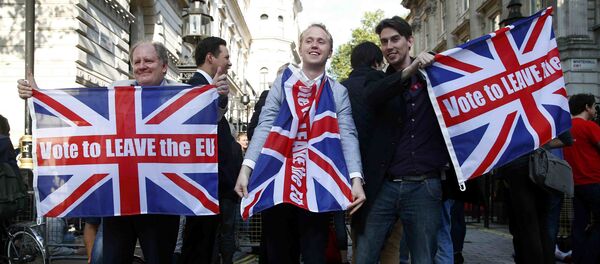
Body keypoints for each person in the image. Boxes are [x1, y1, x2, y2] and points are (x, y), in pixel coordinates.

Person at [17, 40, 230, 264]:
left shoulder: (182, 94)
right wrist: (39, 98)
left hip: (161, 204)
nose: (142, 66)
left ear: (164, 66)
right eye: (136, 62)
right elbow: (79, 118)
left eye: (148, 60)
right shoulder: (116, 90)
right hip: (119, 202)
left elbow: (210, 119)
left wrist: (217, 96)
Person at [234, 23, 366, 264]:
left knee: (315, 254)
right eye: (309, 40)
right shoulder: (281, 84)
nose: (314, 44)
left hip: (316, 187)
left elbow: (347, 135)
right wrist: (247, 168)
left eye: (321, 41)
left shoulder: (338, 92)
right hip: (279, 183)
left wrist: (356, 180)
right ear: (301, 49)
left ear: (330, 52)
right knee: (278, 255)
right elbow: (264, 126)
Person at [352, 15, 445, 264]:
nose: (389, 46)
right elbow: (373, 96)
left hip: (425, 185)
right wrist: (410, 70)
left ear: (410, 40)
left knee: (423, 258)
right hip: (384, 186)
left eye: (395, 39)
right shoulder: (377, 80)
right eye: (384, 42)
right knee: (364, 255)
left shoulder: (435, 75)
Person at [178, 36, 237, 264]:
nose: (230, 62)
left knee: (206, 244)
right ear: (211, 58)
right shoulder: (195, 88)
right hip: (204, 184)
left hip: (214, 183)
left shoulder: (211, 88)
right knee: (198, 245)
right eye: (226, 57)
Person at [563, 93, 600, 264]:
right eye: (593, 106)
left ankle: (578, 258)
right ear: (587, 107)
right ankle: (589, 258)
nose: (594, 109)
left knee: (579, 224)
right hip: (594, 181)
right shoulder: (590, 127)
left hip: (575, 184)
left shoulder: (566, 128)